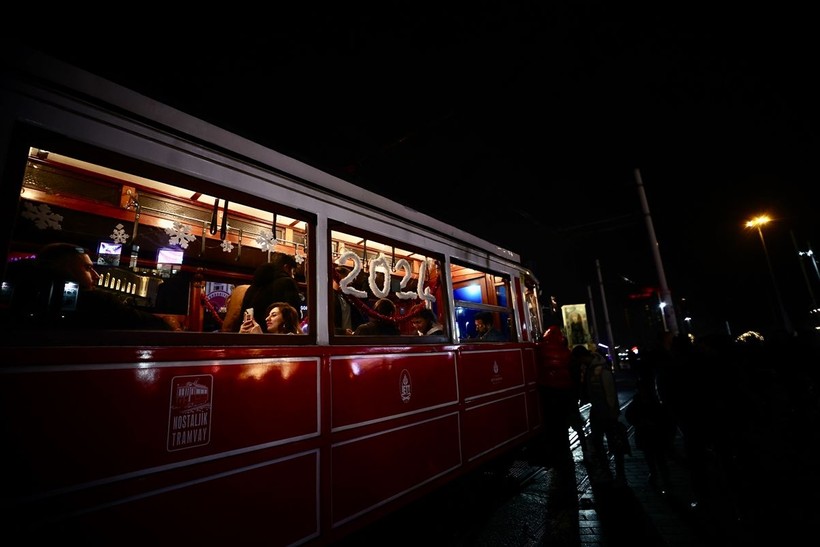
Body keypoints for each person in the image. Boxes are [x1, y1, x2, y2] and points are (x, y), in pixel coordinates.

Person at [11, 242, 173, 330]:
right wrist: (167, 323)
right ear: (63, 268)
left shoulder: (22, 295)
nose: (96, 276)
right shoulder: (96, 302)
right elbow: (139, 321)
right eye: (87, 268)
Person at [537, 326, 589, 470]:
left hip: (548, 394)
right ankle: (578, 452)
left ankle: (555, 455)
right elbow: (574, 375)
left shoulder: (541, 349)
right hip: (565, 394)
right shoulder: (567, 353)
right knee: (568, 425)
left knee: (553, 426)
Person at [577, 346, 627, 485]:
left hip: (606, 412)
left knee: (614, 443)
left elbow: (610, 392)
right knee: (599, 443)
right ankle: (608, 470)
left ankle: (619, 473)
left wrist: (613, 412)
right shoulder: (589, 368)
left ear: (583, 357)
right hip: (597, 411)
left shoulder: (600, 369)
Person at [239, 252, 302, 330]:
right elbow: (292, 314)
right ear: (286, 267)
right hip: (275, 336)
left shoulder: (253, 287)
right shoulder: (287, 282)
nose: (293, 276)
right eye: (293, 271)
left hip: (252, 333)